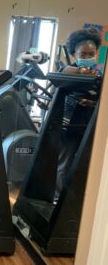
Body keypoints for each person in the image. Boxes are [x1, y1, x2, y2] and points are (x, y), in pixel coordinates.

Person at [56, 28, 102, 195]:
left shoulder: (99, 74)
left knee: (86, 164)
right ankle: (60, 201)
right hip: (69, 126)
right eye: (83, 55)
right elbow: (62, 72)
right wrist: (82, 71)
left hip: (89, 126)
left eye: (92, 53)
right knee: (64, 164)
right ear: (74, 54)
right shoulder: (69, 71)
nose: (88, 58)